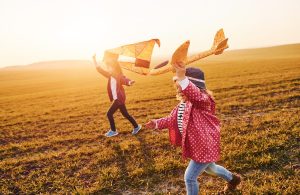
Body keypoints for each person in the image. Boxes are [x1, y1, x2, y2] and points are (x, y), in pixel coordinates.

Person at [145, 62, 241, 194]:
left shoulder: (202, 101)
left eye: (182, 86)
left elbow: (194, 94)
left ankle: (232, 179)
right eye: (178, 87)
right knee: (211, 169)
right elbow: (171, 119)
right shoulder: (182, 105)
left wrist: (182, 77)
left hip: (204, 145)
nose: (179, 90)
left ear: (194, 87)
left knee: (189, 178)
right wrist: (156, 123)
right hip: (197, 146)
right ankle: (233, 179)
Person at [93, 52, 142, 137]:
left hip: (119, 99)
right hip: (118, 99)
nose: (108, 68)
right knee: (125, 114)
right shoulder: (109, 75)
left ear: (114, 67)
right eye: (108, 67)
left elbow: (124, 79)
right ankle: (136, 127)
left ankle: (113, 130)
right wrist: (94, 60)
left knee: (109, 114)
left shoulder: (118, 75)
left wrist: (129, 82)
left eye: (110, 67)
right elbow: (99, 70)